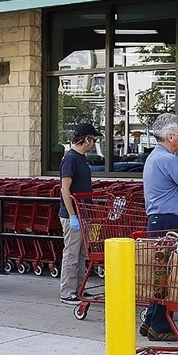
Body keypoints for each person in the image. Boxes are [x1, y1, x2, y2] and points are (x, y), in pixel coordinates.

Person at [139, 113, 178, 341]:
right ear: (171, 135)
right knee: (167, 275)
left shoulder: (155, 157)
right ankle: (160, 325)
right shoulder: (169, 159)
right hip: (169, 221)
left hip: (159, 219)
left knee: (158, 273)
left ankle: (151, 319)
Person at [59, 123, 100, 305]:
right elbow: (65, 189)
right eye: (93, 139)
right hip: (73, 215)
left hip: (84, 212)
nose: (94, 143)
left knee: (82, 254)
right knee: (72, 254)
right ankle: (67, 291)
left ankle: (78, 289)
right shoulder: (70, 159)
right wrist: (72, 215)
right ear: (86, 139)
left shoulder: (81, 158)